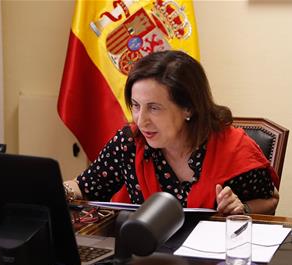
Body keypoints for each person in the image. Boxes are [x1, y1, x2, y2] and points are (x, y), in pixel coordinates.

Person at [63, 50, 279, 215]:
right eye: (136, 106)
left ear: (189, 108)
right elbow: (84, 187)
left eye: (154, 108)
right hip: (145, 257)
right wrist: (56, 191)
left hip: (209, 262)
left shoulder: (233, 148)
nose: (141, 120)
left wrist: (242, 210)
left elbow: (270, 201)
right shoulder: (129, 143)